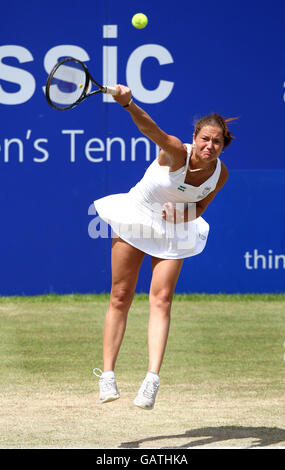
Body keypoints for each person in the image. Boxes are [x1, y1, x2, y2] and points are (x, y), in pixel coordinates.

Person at [93, 84, 235, 410]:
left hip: (174, 229)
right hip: (137, 215)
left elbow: (199, 208)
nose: (209, 146)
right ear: (195, 137)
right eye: (205, 139)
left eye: (216, 141)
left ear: (222, 144)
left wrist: (182, 212)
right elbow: (150, 128)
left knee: (162, 299)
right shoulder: (175, 152)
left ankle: (151, 380)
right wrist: (128, 103)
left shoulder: (220, 174)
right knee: (120, 295)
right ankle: (108, 376)